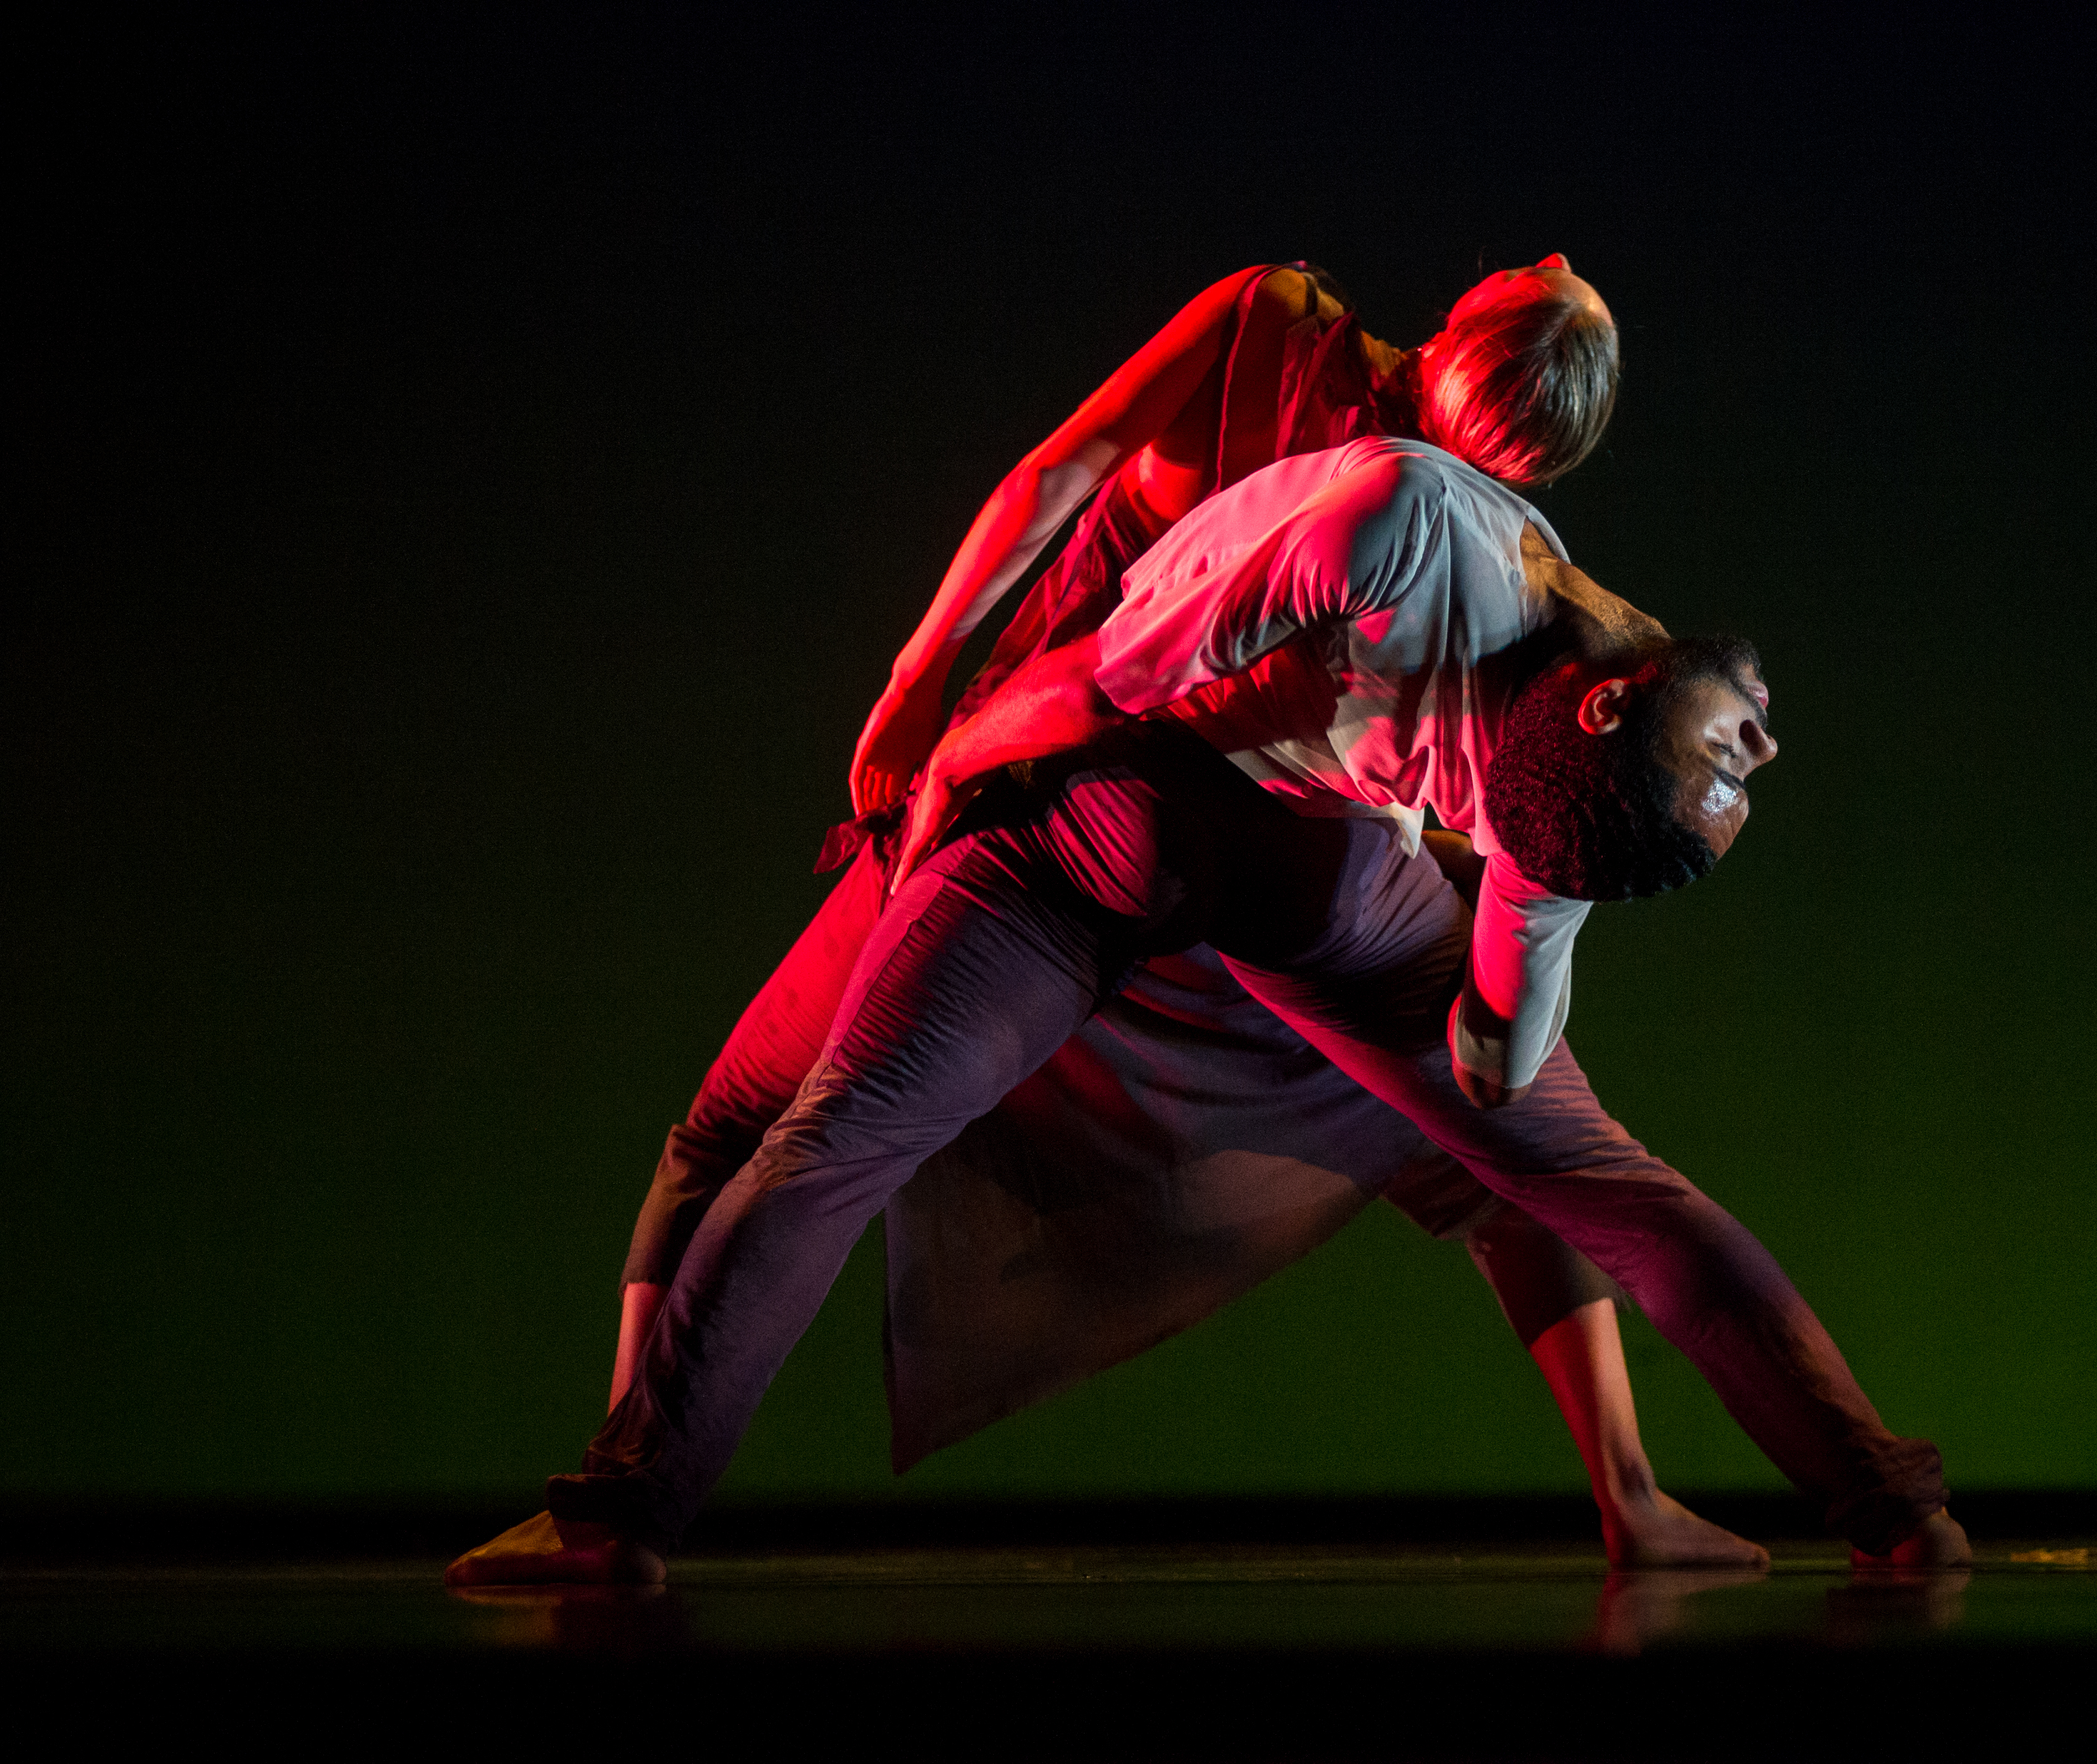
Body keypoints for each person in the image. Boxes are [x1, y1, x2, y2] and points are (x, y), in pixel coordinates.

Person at [448, 433, 1969, 1588]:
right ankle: (1891, 1507)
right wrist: (954, 756)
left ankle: (616, 1521)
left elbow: (1126, 678)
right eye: (1737, 760)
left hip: (1154, 819)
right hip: (1196, 811)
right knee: (847, 1130)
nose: (1758, 748)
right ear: (1604, 699)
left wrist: (959, 777)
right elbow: (1141, 680)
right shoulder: (1451, 616)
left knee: (843, 1130)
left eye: (1730, 773)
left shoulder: (1526, 747)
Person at [571, 258, 1757, 1573]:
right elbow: (1460, 788)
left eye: (1541, 279)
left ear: (1469, 325)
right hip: (1279, 857)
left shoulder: (1281, 335)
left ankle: (619, 1489)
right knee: (1507, 1167)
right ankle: (1642, 1495)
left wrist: (924, 694)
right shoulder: (1483, 536)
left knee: (761, 1124)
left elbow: (1057, 486)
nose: (1555, 256)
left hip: (1057, 785)